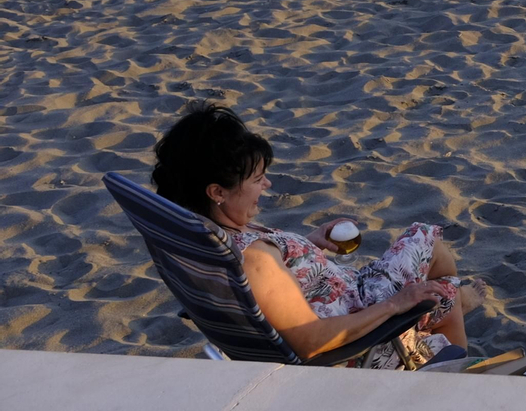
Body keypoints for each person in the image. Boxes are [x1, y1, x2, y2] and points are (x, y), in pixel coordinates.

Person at [150, 103, 469, 368]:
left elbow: (274, 284)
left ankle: (436, 322)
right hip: (357, 322)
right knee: (439, 273)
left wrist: (306, 246)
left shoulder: (209, 230)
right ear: (217, 191)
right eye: (258, 178)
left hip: (337, 292)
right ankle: (448, 363)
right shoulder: (254, 261)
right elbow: (311, 341)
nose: (267, 185)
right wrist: (396, 305)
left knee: (431, 261)